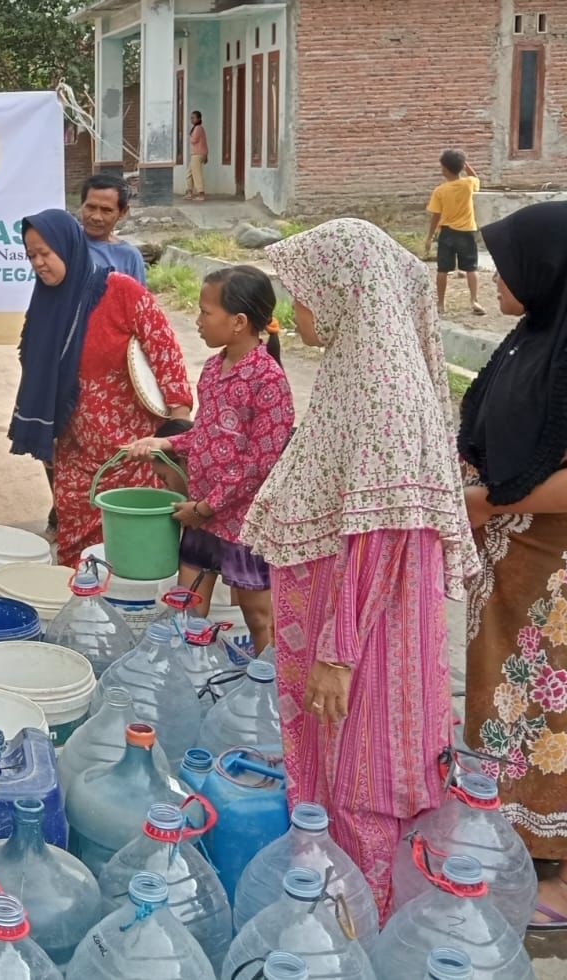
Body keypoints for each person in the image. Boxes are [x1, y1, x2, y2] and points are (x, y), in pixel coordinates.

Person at [241, 218, 476, 920]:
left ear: (344, 290)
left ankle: (363, 929)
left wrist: (337, 656)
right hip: (366, 624)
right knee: (354, 775)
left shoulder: (381, 388)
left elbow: (383, 531)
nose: (293, 312)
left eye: (302, 293)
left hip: (373, 640)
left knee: (368, 781)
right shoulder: (362, 370)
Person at [457, 201, 567, 926]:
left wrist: (490, 506)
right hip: (507, 566)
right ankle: (512, 846)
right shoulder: (532, 337)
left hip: (552, 575)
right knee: (501, 707)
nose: (493, 276)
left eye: (507, 264)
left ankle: (554, 880)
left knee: (548, 716)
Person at [124, 265, 294, 655]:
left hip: (244, 521)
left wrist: (207, 506)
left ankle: (265, 688)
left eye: (205, 312)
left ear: (238, 322)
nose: (198, 321)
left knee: (257, 614)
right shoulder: (214, 369)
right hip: (203, 514)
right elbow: (208, 433)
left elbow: (259, 462)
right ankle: (185, 672)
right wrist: (165, 444)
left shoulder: (268, 380)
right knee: (186, 605)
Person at [10, 208, 191, 567]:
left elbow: (164, 352)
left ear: (68, 246)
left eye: (45, 252)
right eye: (31, 255)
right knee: (76, 554)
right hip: (75, 456)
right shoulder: (45, 304)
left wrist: (177, 426)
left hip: (131, 454)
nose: (39, 263)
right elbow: (35, 366)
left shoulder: (120, 291)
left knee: (131, 553)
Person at [423, 148, 486, 316]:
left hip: (447, 233)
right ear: (460, 167)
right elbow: (476, 178)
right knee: (471, 268)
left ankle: (441, 304)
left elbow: (436, 216)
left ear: (443, 169)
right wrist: (466, 166)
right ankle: (474, 300)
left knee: (442, 270)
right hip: (467, 232)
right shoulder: (468, 184)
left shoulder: (440, 191)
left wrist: (430, 237)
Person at [78, 174, 146, 284]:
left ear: (123, 212)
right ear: (82, 205)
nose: (96, 217)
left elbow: (136, 299)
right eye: (90, 207)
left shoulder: (129, 257)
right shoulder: (65, 242)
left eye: (106, 210)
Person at [187, 111, 208, 201]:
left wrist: (189, 136)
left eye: (194, 118)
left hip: (197, 154)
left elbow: (193, 140)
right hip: (197, 154)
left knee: (196, 174)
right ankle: (189, 192)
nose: (192, 119)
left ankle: (201, 194)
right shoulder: (197, 128)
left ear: (199, 119)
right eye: (191, 118)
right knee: (189, 174)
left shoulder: (198, 128)